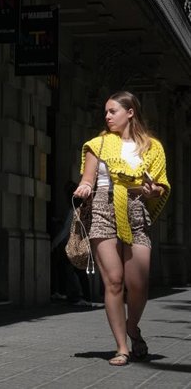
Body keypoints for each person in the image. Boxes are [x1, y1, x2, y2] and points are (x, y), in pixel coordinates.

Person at [73, 91, 170, 366]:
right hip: (103, 208)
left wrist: (153, 190)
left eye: (112, 111)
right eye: (105, 111)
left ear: (130, 113)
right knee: (113, 282)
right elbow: (88, 179)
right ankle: (121, 347)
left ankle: (132, 326)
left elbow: (161, 186)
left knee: (138, 284)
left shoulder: (152, 147)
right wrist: (85, 187)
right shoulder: (97, 145)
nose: (107, 116)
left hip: (136, 209)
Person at [51, 181, 90, 307]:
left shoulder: (74, 211)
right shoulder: (82, 210)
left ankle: (75, 296)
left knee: (72, 270)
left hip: (73, 244)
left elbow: (66, 230)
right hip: (81, 243)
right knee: (79, 270)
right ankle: (84, 296)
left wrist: (54, 244)